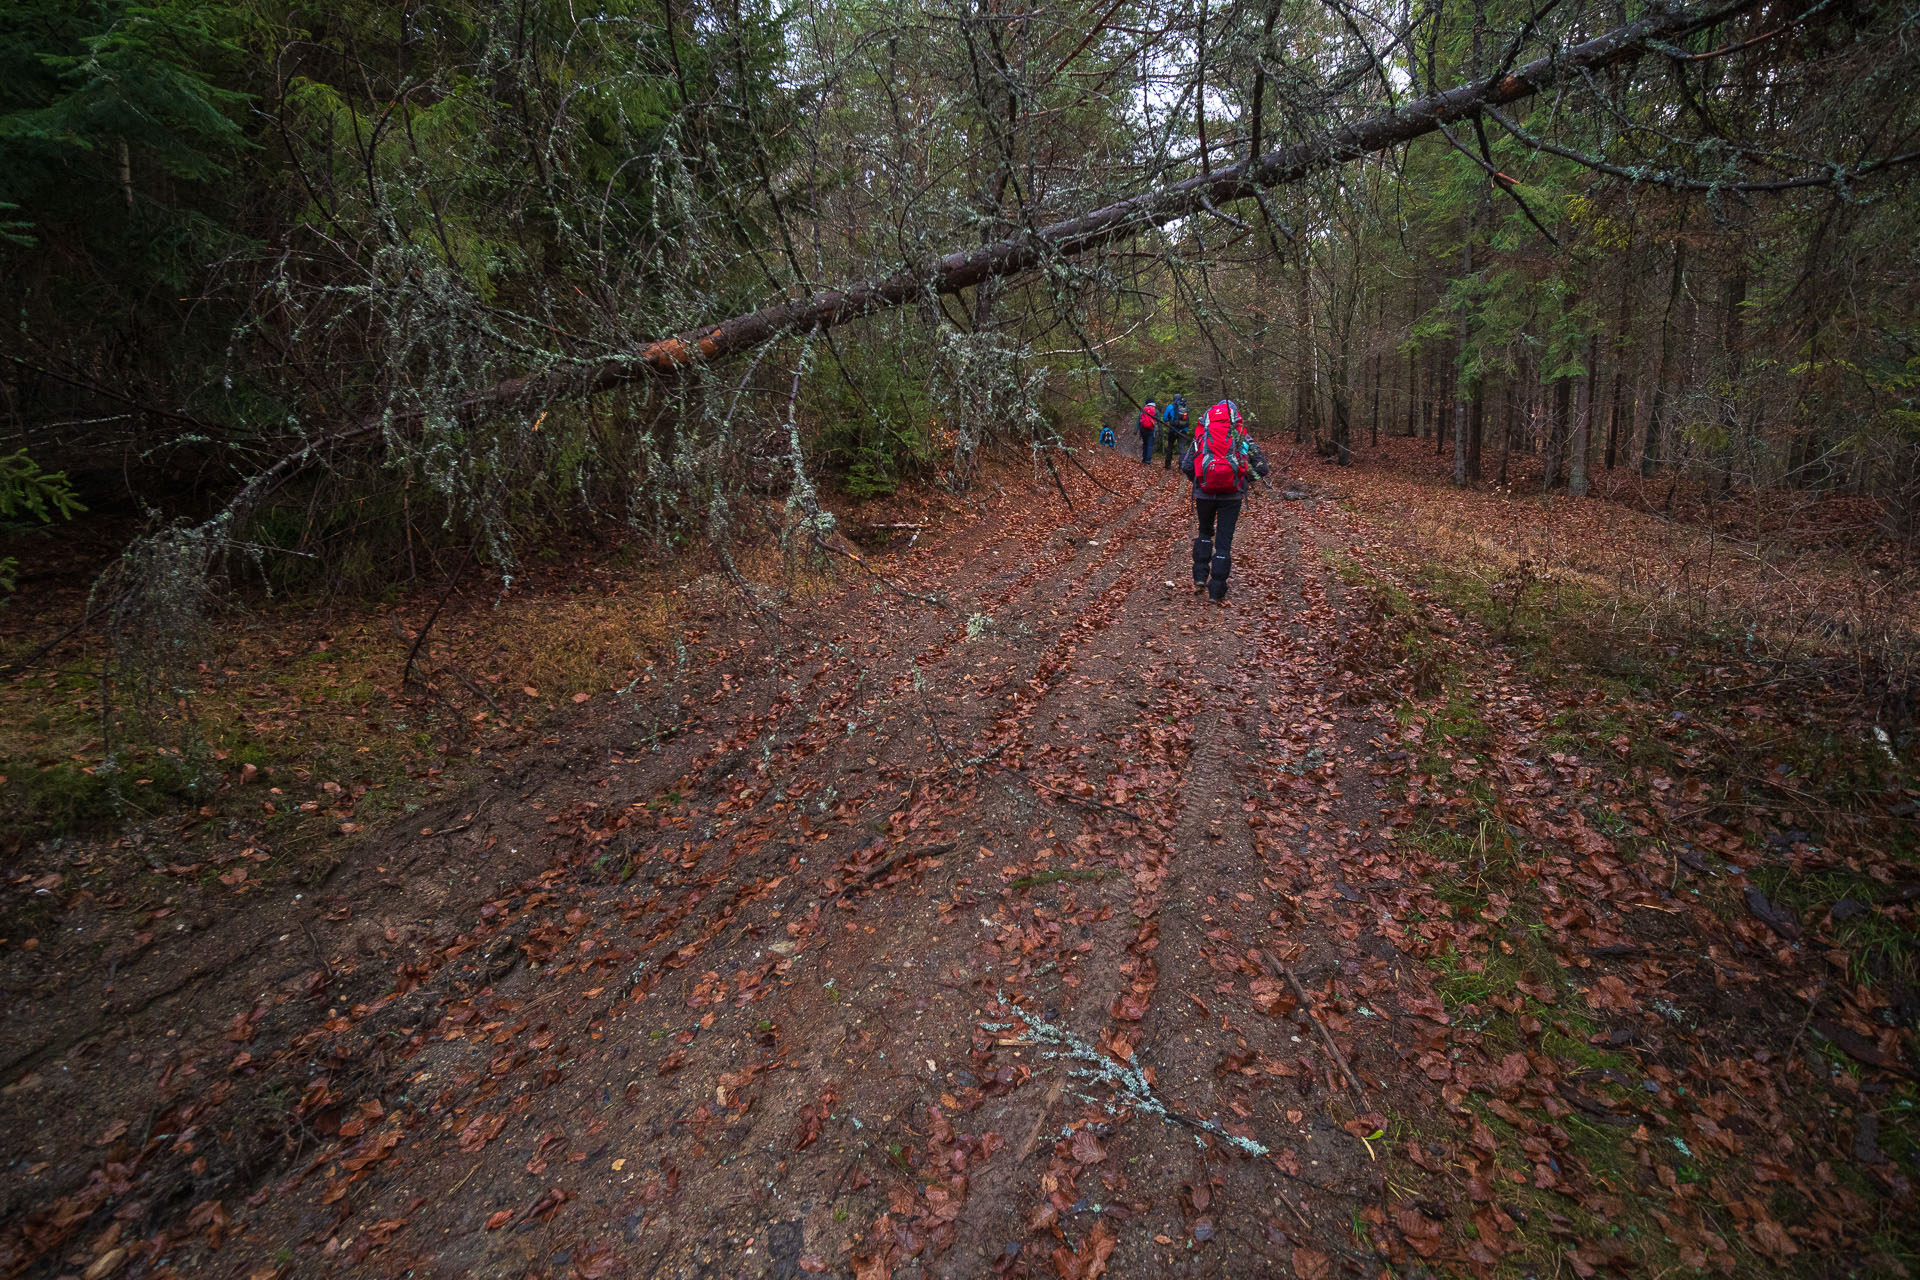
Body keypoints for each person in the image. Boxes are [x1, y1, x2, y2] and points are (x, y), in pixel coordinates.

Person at [1177, 399, 1270, 602]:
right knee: (1223, 542)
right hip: (1232, 496)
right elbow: (1262, 467)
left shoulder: (1203, 435)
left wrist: (1200, 480)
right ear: (1235, 417)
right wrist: (1244, 480)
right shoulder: (1242, 436)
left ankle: (1200, 576)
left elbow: (1186, 466)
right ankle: (1216, 590)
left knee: (1204, 532)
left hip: (1204, 494)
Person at [1158, 394, 1188, 469]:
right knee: (1182, 448)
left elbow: (1165, 418)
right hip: (1183, 430)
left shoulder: (1170, 407)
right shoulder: (1185, 406)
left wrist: (1171, 420)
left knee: (1170, 447)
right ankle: (1182, 466)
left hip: (1173, 430)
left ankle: (1168, 465)